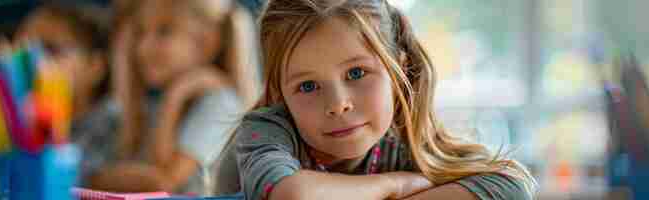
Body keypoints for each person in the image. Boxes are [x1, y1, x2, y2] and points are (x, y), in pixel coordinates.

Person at [214, 0, 537, 199]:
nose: (338, 104)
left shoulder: (405, 140)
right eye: (309, 86)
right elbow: (293, 196)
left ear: (399, 68)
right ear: (279, 93)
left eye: (356, 74)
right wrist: (395, 186)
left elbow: (511, 188)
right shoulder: (265, 134)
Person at [85, 0, 259, 195]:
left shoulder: (221, 103)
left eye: (164, 32)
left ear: (207, 43)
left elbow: (164, 182)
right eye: (141, 33)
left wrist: (175, 96)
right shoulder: (152, 101)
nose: (143, 47)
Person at [16, 3, 114, 186]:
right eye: (22, 52)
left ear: (95, 67)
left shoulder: (113, 122)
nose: (34, 62)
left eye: (51, 50)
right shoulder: (18, 120)